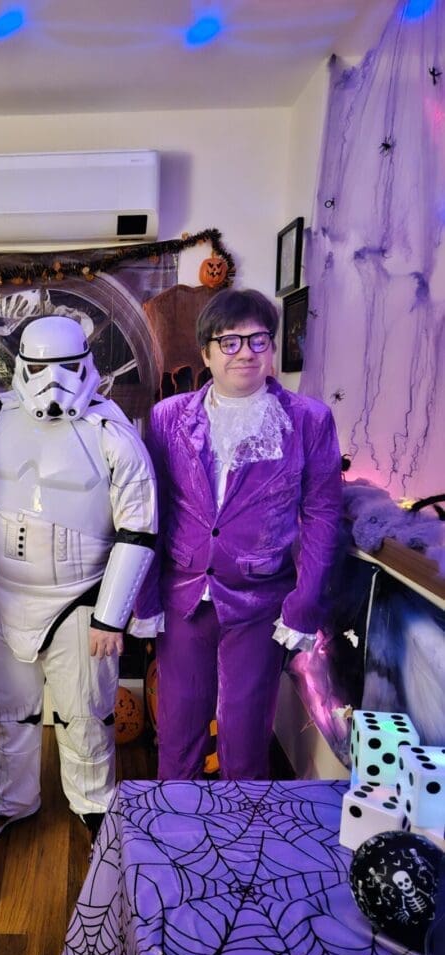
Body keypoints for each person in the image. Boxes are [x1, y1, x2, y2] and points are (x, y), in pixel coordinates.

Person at [0, 314, 157, 842]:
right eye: (41, 367)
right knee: (9, 712)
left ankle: (94, 802)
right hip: (4, 595)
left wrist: (111, 616)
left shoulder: (112, 432)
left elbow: (138, 531)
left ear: (88, 365)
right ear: (21, 363)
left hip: (81, 597)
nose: (53, 381)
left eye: (67, 367)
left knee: (86, 715)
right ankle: (13, 799)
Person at [134, 288, 341, 780]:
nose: (244, 351)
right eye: (229, 341)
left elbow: (322, 513)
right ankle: (174, 834)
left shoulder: (309, 419)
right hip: (183, 595)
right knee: (177, 730)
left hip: (259, 602)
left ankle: (238, 843)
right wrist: (144, 600)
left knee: (246, 738)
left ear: (271, 349)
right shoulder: (168, 418)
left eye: (257, 340)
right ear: (206, 353)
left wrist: (304, 603)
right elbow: (148, 510)